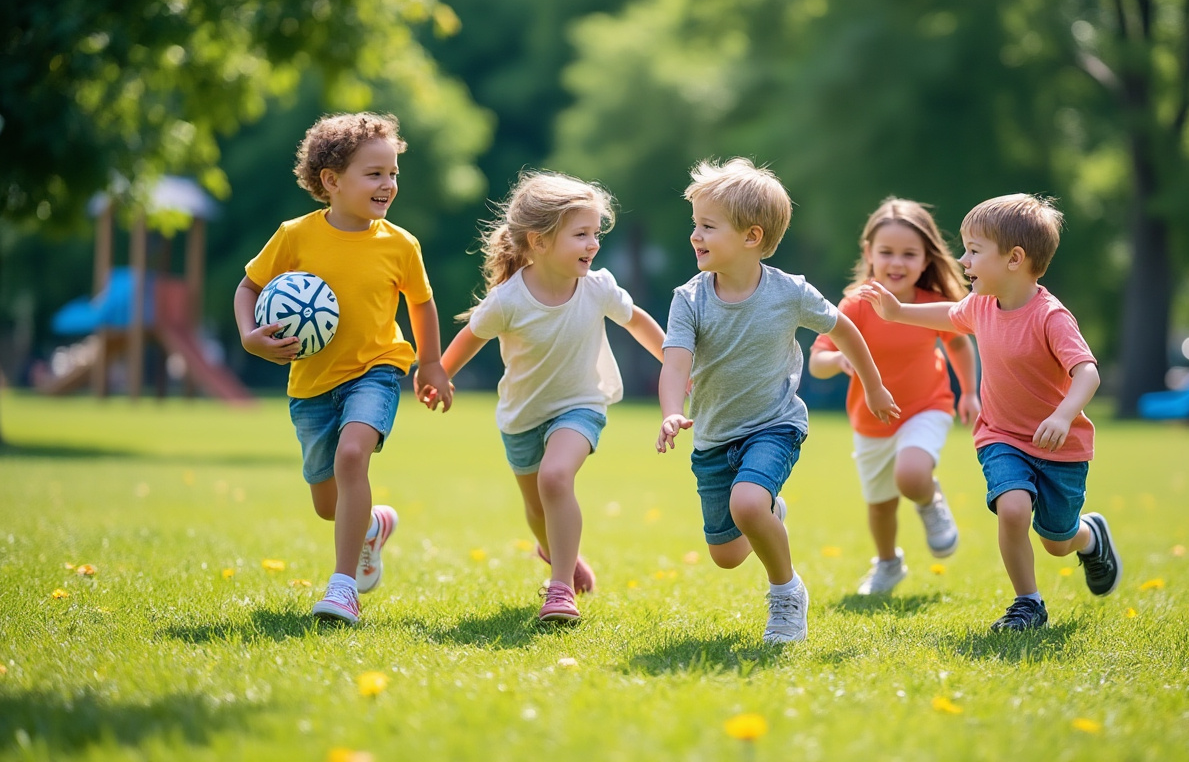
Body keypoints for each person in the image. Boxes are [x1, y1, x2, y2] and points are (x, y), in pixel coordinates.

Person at [657, 158, 899, 644]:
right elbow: (676, 363)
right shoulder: (689, 298)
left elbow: (844, 328)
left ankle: (786, 594)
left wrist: (872, 385)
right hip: (713, 436)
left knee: (747, 504)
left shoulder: (790, 293)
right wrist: (670, 412)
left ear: (751, 236)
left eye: (708, 226)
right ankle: (769, 514)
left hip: (775, 425)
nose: (695, 236)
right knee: (726, 553)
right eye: (694, 225)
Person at [857, 193, 1121, 632]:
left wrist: (1061, 415)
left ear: (1014, 259)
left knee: (1057, 541)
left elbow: (1088, 374)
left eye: (974, 251)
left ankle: (1090, 538)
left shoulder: (1051, 317)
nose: (963, 260)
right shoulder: (981, 305)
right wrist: (899, 311)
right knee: (1013, 509)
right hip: (1001, 436)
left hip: (1059, 445)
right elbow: (949, 314)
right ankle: (1028, 604)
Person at [416, 171, 665, 623]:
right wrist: (439, 374)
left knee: (555, 479)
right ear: (540, 242)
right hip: (522, 416)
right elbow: (470, 338)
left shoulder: (598, 287)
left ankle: (560, 589)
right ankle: (556, 552)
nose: (593, 244)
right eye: (581, 235)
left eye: (595, 233)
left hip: (580, 404)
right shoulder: (508, 300)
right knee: (536, 509)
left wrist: (675, 363)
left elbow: (638, 322)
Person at [233, 112, 452, 625]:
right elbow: (248, 287)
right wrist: (250, 337)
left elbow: (421, 305)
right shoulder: (294, 236)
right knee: (328, 505)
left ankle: (342, 586)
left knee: (354, 457)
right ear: (331, 181)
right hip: (310, 385)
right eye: (374, 173)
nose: (389, 184)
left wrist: (431, 364)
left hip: (375, 370)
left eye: (393, 173)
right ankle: (373, 526)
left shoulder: (401, 244)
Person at [810, 198, 980, 596]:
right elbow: (816, 361)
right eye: (886, 252)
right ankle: (888, 563)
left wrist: (969, 392)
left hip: (927, 406)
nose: (897, 263)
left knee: (911, 475)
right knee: (881, 506)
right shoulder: (855, 306)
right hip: (871, 422)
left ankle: (929, 500)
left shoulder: (930, 304)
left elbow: (957, 347)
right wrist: (838, 360)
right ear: (869, 254)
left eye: (909, 254)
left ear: (926, 260)